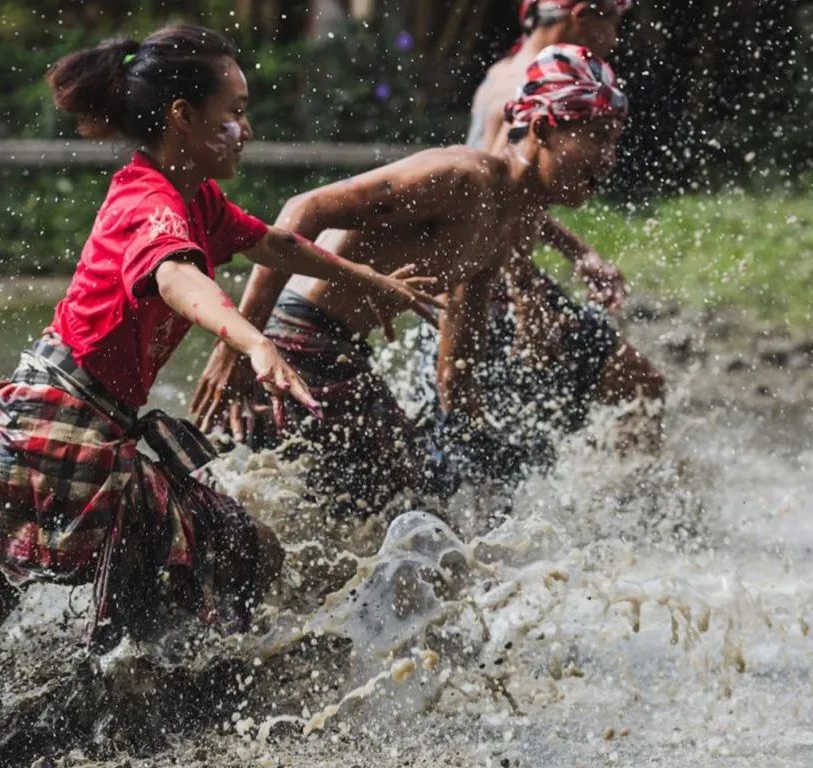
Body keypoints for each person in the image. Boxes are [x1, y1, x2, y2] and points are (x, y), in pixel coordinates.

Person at [0, 25, 441, 662]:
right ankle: (162, 700)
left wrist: (372, 280)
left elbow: (276, 244)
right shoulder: (151, 204)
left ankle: (118, 692)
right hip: (60, 434)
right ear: (184, 118)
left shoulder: (195, 198)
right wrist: (252, 341)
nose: (248, 130)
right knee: (241, 552)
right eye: (235, 114)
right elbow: (177, 275)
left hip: (40, 428)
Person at [192, 44, 631, 516]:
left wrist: (473, 440)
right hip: (298, 344)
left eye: (614, 142)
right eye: (596, 137)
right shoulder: (463, 178)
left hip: (341, 354)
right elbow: (304, 210)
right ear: (543, 128)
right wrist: (237, 348)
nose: (609, 158)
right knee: (413, 511)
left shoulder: (506, 224)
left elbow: (456, 364)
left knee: (434, 499)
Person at [464, 0, 665, 455]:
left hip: (490, 278)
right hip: (491, 288)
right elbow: (498, 208)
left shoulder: (507, 72)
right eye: (614, 21)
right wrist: (524, 295)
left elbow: (514, 197)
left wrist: (576, 252)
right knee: (640, 386)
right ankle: (636, 511)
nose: (614, 38)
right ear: (582, 17)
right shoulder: (526, 89)